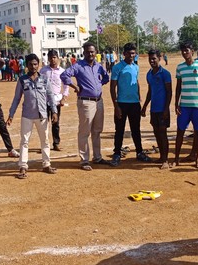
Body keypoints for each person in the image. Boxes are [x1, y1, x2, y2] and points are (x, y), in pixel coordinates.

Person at [7, 53, 58, 179]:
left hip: (42, 115)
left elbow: (50, 96)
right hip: (27, 115)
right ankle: (23, 166)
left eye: (35, 64)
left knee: (45, 140)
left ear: (38, 64)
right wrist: (11, 114)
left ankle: (46, 164)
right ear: (27, 65)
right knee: (24, 141)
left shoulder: (44, 79)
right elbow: (17, 98)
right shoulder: (22, 80)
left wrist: (54, 111)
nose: (33, 67)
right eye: (30, 64)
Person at [61, 42, 111, 171]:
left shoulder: (98, 66)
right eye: (88, 52)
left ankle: (97, 157)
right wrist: (75, 86)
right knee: (85, 132)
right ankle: (84, 160)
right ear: (84, 53)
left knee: (97, 131)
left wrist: (98, 83)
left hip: (98, 101)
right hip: (86, 102)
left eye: (92, 51)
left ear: (96, 53)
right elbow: (64, 75)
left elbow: (106, 77)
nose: (90, 54)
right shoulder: (78, 66)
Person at [109, 43, 151, 166]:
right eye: (129, 53)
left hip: (134, 104)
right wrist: (116, 106)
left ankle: (139, 152)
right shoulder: (117, 67)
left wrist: (139, 97)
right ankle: (117, 154)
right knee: (119, 130)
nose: (131, 55)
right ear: (124, 54)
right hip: (121, 104)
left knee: (136, 129)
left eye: (133, 53)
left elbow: (136, 82)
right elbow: (112, 88)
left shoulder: (136, 67)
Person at [172, 41, 198, 169]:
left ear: (192, 52)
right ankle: (176, 159)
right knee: (180, 131)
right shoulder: (180, 67)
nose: (184, 53)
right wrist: (176, 103)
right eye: (182, 51)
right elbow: (178, 87)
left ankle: (197, 159)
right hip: (184, 105)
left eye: (187, 50)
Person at [141, 49, 172, 169]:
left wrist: (166, 109)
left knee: (163, 133)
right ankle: (161, 157)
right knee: (156, 133)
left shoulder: (165, 74)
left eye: (154, 58)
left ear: (159, 58)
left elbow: (169, 92)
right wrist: (145, 106)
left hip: (162, 109)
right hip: (154, 109)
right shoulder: (149, 74)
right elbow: (150, 91)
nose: (152, 61)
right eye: (150, 59)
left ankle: (166, 160)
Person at [40, 50, 69, 152]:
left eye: (54, 57)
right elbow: (39, 83)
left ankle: (56, 143)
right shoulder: (43, 71)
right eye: (51, 58)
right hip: (44, 100)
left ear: (58, 58)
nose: (53, 60)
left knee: (55, 122)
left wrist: (64, 98)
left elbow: (66, 86)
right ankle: (44, 144)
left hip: (56, 101)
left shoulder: (62, 71)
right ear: (48, 59)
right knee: (43, 123)